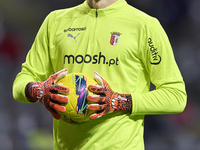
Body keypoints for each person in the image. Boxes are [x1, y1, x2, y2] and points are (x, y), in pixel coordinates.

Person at [12, 0, 187, 149]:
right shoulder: (55, 21)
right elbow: (23, 81)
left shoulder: (145, 26)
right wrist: (38, 91)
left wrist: (119, 101)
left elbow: (176, 96)